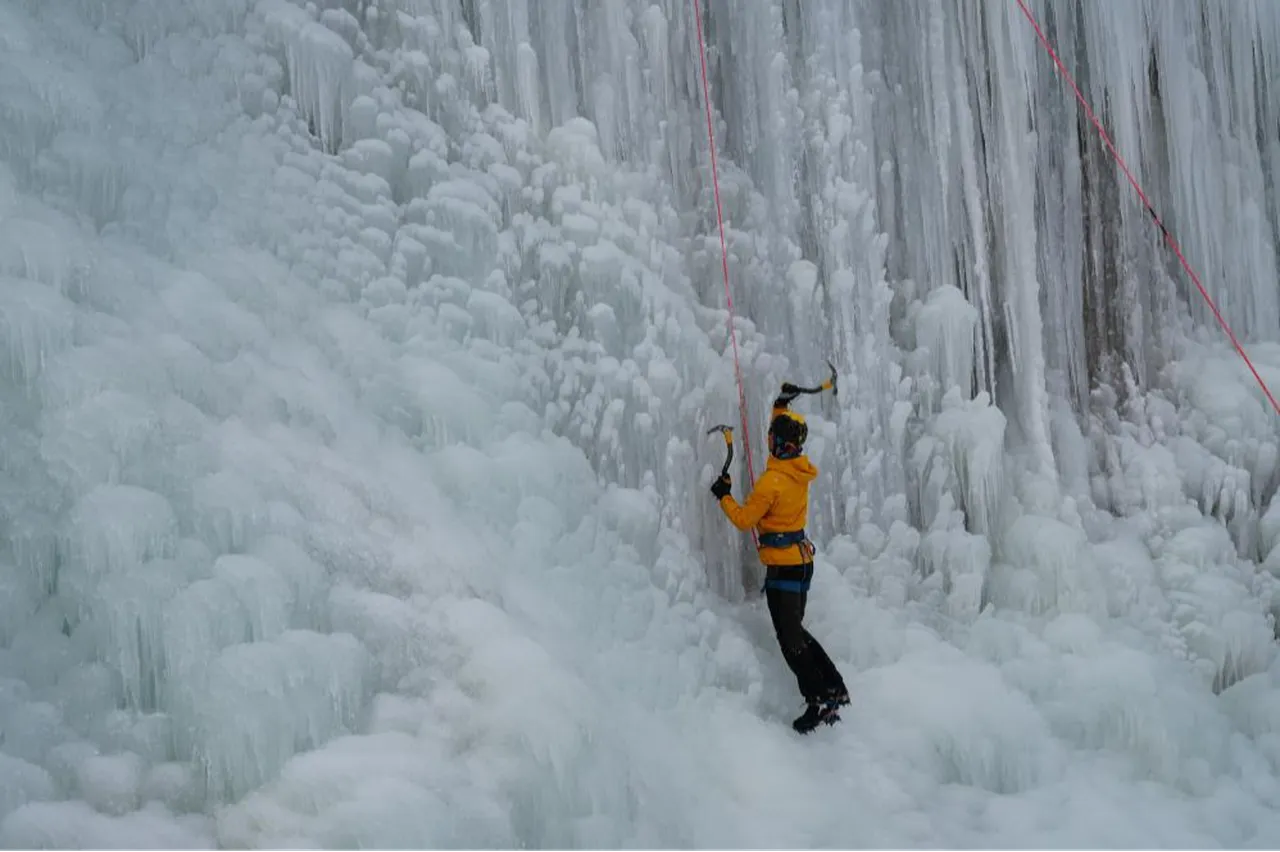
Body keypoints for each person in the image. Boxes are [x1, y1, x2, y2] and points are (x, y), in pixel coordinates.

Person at [710, 383, 849, 733]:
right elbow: (785, 430)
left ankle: (819, 698)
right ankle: (833, 687)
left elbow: (744, 520)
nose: (768, 441)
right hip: (802, 564)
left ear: (779, 445)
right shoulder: (798, 468)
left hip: (784, 569)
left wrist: (724, 495)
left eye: (772, 437)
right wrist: (780, 404)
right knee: (796, 633)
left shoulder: (772, 482)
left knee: (790, 642)